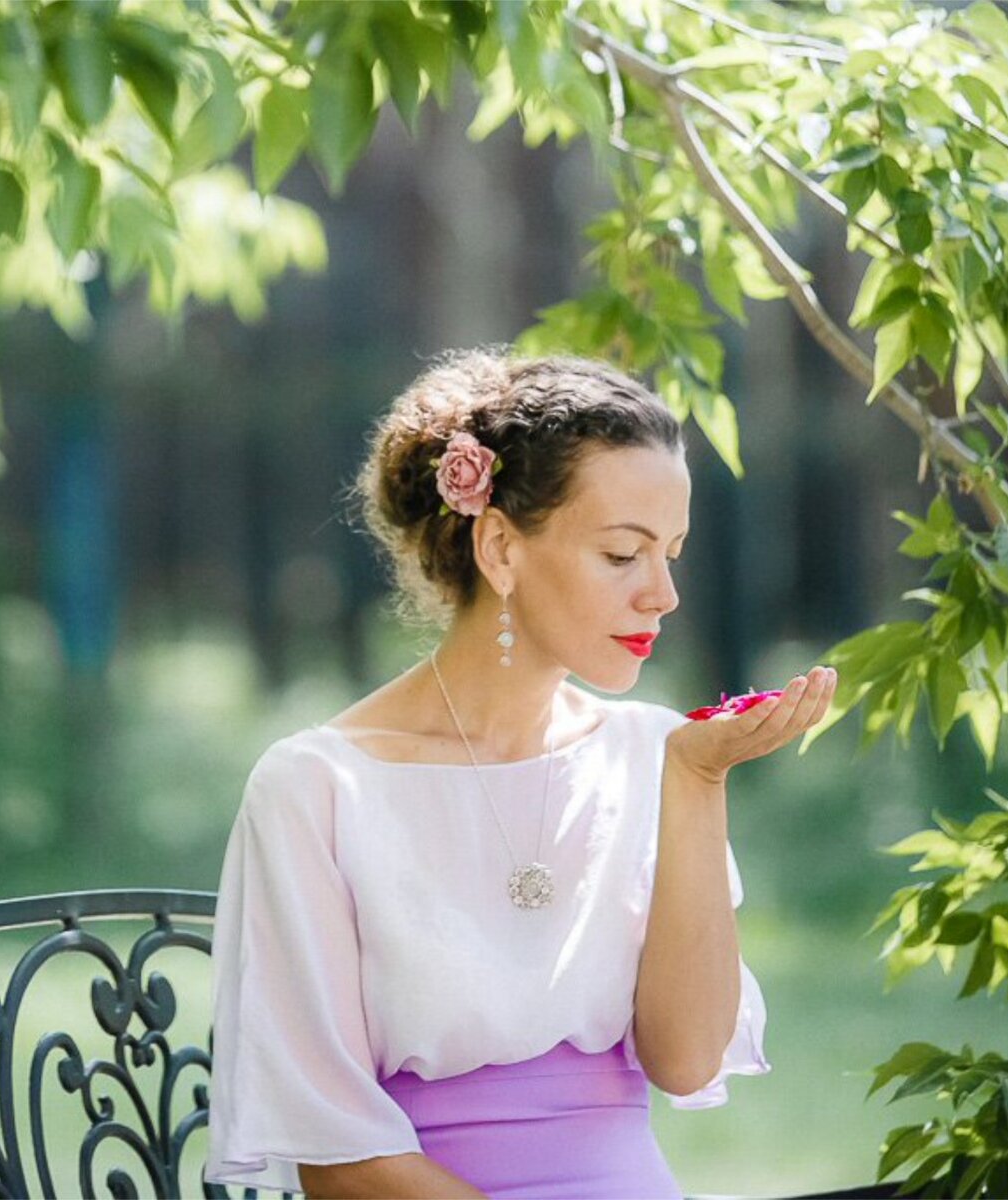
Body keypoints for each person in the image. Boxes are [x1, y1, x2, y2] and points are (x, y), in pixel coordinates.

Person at [204, 348, 838, 1199]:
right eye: (624, 554)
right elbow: (336, 1160)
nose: (663, 595)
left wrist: (697, 784)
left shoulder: (657, 754)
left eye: (672, 554)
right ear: (500, 547)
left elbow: (687, 1062)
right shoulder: (316, 789)